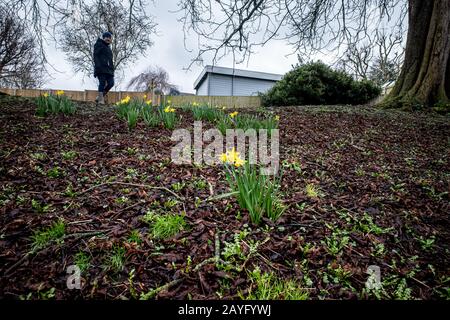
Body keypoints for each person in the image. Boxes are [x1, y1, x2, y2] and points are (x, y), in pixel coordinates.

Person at [93, 32, 114, 105]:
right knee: (102, 83)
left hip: (109, 70)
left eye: (109, 37)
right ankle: (101, 100)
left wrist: (112, 69)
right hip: (101, 68)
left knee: (111, 83)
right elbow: (95, 56)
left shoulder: (109, 48)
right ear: (103, 38)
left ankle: (99, 96)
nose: (108, 39)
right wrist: (98, 66)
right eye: (106, 37)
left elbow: (110, 60)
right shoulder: (99, 44)